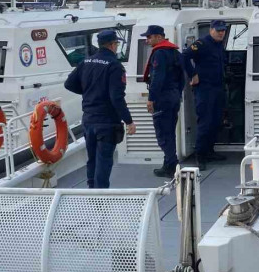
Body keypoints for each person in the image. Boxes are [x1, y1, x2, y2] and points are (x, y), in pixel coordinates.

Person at [64, 30, 136, 188]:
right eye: (117, 44)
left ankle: (91, 191)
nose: (116, 46)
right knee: (104, 161)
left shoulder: (86, 62)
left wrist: (89, 92)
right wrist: (129, 121)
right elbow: (116, 97)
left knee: (92, 159)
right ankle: (101, 198)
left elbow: (68, 84)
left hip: (89, 119)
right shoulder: (114, 66)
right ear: (112, 45)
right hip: (107, 121)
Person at [181, 19, 227, 170]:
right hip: (205, 89)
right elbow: (184, 57)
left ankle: (209, 151)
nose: (221, 33)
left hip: (218, 88)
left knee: (215, 121)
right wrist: (193, 74)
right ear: (211, 30)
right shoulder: (202, 44)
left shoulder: (219, 44)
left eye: (223, 30)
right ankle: (200, 156)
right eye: (218, 30)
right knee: (205, 122)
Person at [141, 25, 184, 178]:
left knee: (163, 134)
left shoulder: (159, 54)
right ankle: (168, 164)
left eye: (149, 37)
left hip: (162, 98)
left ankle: (172, 165)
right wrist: (178, 93)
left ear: (159, 37)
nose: (147, 40)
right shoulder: (174, 52)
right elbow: (182, 76)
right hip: (173, 96)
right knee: (170, 131)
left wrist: (151, 99)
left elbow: (157, 78)